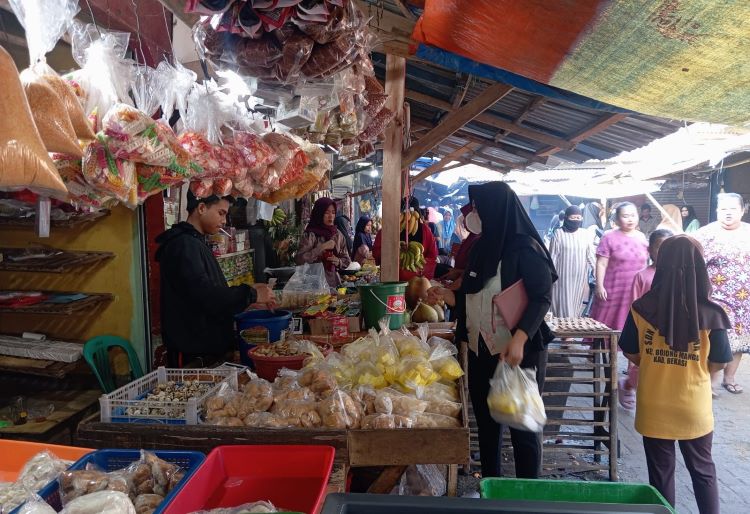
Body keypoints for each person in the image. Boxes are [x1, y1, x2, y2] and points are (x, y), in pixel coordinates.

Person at [426, 182, 556, 479]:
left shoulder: (525, 248)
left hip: (516, 353)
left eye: (480, 209)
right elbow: (476, 296)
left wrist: (520, 338)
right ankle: (491, 488)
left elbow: (541, 297)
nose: (475, 214)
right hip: (481, 349)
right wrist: (447, 297)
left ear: (497, 210)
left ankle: (527, 495)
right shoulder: (483, 246)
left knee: (523, 429)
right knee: (487, 425)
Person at [619, 235, 732, 514]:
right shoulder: (712, 313)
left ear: (661, 263)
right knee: (703, 471)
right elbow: (718, 363)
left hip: (654, 405)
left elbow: (632, 354)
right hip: (694, 405)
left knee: (660, 477)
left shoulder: (641, 309)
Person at [156, 192, 276, 367]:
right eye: (221, 213)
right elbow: (205, 295)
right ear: (202, 208)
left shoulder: (195, 242)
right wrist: (250, 294)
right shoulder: (184, 245)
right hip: (193, 356)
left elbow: (208, 290)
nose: (225, 221)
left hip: (207, 351)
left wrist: (250, 293)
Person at [695, 193, 750, 395]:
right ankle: (710, 381)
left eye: (733, 209)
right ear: (717, 211)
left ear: (742, 211)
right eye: (724, 209)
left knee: (740, 339)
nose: (728, 213)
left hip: (745, 300)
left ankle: (730, 377)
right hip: (715, 298)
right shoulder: (704, 234)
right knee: (719, 337)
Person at [619, 228, 673, 410]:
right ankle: (627, 385)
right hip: (644, 330)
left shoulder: (677, 276)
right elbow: (634, 306)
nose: (664, 253)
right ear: (650, 250)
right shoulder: (642, 276)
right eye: (659, 248)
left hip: (667, 330)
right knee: (639, 367)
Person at [591, 202, 649, 332]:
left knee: (632, 320)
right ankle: (603, 349)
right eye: (625, 216)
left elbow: (646, 264)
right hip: (613, 288)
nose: (630, 219)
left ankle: (629, 349)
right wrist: (599, 286)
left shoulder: (641, 237)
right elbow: (601, 263)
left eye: (633, 215)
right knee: (605, 322)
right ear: (617, 219)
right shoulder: (608, 236)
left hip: (635, 289)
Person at [373, 196, 438, 280]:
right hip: (393, 277)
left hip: (416, 280)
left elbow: (432, 256)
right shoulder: (388, 230)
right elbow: (377, 252)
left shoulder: (425, 230)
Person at [548, 205, 595, 318]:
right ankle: (567, 334)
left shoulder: (585, 234)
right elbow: (552, 257)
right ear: (566, 218)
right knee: (563, 304)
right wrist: (549, 277)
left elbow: (590, 255)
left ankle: (568, 332)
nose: (576, 220)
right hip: (562, 278)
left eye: (579, 218)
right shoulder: (559, 234)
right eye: (573, 217)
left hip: (578, 279)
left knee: (575, 304)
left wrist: (596, 270)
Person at [296, 197, 352, 288]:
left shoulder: (338, 234)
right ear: (319, 213)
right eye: (326, 213)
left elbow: (346, 259)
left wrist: (338, 261)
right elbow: (300, 259)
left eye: (333, 212)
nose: (331, 216)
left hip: (333, 282)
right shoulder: (311, 234)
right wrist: (321, 248)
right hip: (313, 284)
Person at [440, 204, 480, 291]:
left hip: (462, 285)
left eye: (466, 217)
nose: (464, 222)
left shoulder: (478, 239)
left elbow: (475, 271)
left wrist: (458, 273)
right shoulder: (471, 236)